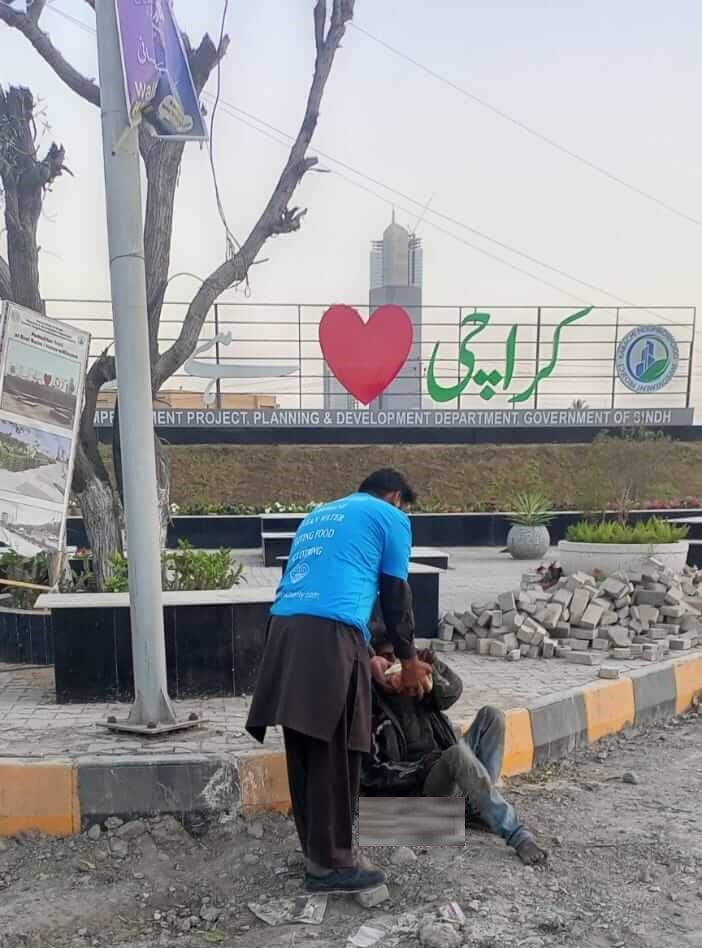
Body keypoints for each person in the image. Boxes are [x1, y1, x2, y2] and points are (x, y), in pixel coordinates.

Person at [245, 469, 433, 894]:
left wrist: (365, 655)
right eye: (404, 505)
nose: (403, 513)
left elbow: (335, 586)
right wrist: (408, 659)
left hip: (286, 629)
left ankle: (317, 855)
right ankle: (332, 866)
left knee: (305, 745)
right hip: (329, 634)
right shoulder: (390, 517)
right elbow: (395, 594)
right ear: (394, 496)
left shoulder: (321, 515)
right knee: (333, 745)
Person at [363, 631, 548, 866]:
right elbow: (373, 774)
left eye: (399, 658)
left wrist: (434, 665)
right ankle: (516, 834)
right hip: (420, 790)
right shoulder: (371, 707)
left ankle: (475, 808)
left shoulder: (418, 688)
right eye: (387, 658)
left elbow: (453, 691)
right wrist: (423, 767)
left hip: (450, 773)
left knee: (492, 716)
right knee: (455, 754)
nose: (394, 664)